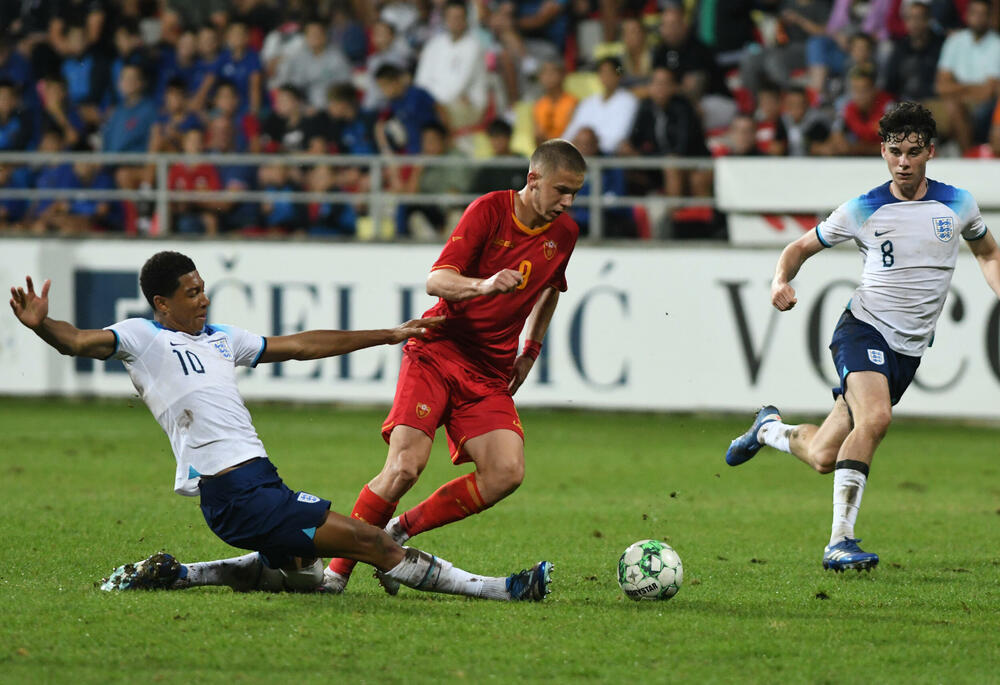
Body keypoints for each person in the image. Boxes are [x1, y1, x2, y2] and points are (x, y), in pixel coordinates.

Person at [8, 251, 552, 601]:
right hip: (233, 488)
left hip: (258, 482)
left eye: (203, 288)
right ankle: (502, 590)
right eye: (191, 292)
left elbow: (300, 346)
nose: (203, 298)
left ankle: (184, 573)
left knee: (302, 575)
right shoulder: (141, 338)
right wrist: (42, 327)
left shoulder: (220, 338)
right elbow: (79, 341)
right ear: (161, 303)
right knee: (371, 542)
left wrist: (387, 334)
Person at [724, 102, 1000, 572]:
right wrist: (779, 280)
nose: (904, 162)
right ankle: (840, 541)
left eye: (914, 152)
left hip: (908, 351)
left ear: (930, 152)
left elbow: (988, 253)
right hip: (863, 328)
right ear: (883, 151)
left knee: (824, 456)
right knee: (875, 418)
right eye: (895, 151)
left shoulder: (958, 203)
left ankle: (768, 428)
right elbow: (799, 247)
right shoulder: (864, 207)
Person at [324, 139, 587, 594]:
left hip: (489, 372)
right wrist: (483, 286)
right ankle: (335, 574)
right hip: (438, 351)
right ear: (533, 180)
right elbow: (436, 280)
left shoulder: (564, 233)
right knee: (406, 466)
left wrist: (531, 349)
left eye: (575, 194)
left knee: (506, 473)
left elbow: (551, 290)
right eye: (562, 190)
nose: (568, 202)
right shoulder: (488, 210)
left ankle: (399, 532)